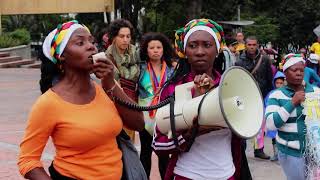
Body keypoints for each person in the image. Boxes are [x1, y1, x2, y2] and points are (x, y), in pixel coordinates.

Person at [17, 20, 144, 180]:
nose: (91, 46)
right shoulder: (48, 103)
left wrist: (111, 83)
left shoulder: (107, 87)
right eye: (80, 42)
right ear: (62, 55)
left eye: (92, 41)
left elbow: (138, 124)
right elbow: (27, 160)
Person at [152, 18, 252, 180]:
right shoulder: (173, 90)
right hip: (187, 175)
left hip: (228, 175)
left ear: (218, 49)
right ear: (184, 51)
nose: (199, 52)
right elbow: (158, 144)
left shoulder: (231, 87)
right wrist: (191, 133)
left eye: (207, 45)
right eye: (193, 46)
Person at [265, 53, 319, 180]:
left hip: (314, 152)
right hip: (291, 153)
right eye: (294, 70)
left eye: (301, 70)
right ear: (285, 72)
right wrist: (292, 103)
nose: (299, 73)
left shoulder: (316, 92)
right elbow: (270, 124)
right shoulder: (276, 95)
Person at [138, 32, 174, 179]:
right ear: (146, 50)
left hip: (165, 115)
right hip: (145, 116)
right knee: (146, 151)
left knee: (165, 151)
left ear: (164, 49)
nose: (155, 50)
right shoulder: (139, 69)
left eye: (158, 47)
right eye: (151, 47)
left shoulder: (172, 69)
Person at [235, 36, 273, 160]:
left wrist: (267, 95)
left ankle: (259, 149)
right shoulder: (239, 62)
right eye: (249, 44)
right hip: (245, 96)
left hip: (261, 95)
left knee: (260, 124)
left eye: (254, 44)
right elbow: (238, 80)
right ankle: (241, 149)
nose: (252, 47)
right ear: (245, 45)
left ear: (257, 45)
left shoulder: (265, 60)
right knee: (243, 122)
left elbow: (269, 78)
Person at [106, 19, 141, 141]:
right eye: (121, 36)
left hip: (132, 100)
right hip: (114, 102)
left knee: (129, 141)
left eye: (128, 36)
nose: (125, 40)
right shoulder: (107, 56)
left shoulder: (136, 52)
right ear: (114, 37)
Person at [264, 71, 286, 161]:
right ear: (274, 83)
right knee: (274, 138)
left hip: (284, 119)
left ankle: (283, 154)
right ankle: (276, 153)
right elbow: (266, 104)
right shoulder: (271, 93)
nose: (279, 85)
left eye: (281, 83)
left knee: (283, 137)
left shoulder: (287, 93)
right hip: (274, 118)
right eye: (277, 83)